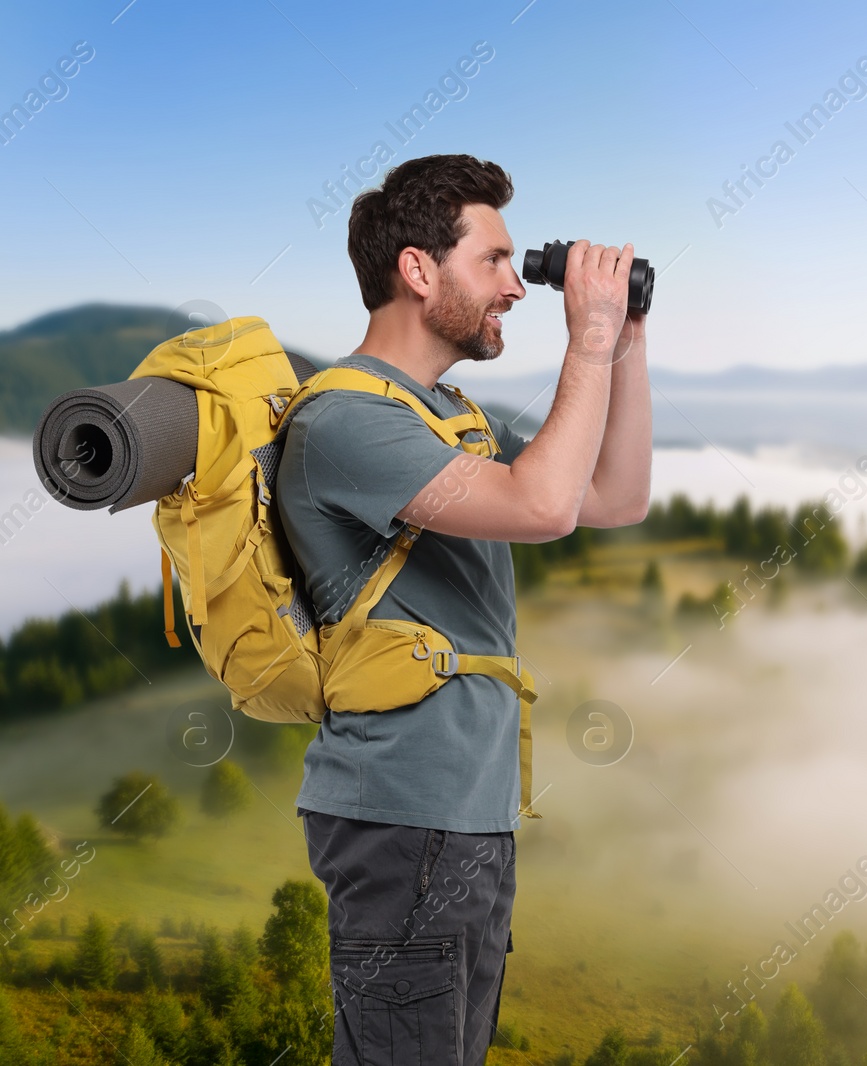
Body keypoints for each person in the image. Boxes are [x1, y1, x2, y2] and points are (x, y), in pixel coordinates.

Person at [276, 152, 651, 1065]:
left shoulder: (449, 416)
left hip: (467, 815)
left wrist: (625, 342)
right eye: (493, 260)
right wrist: (586, 339)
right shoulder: (351, 423)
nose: (518, 287)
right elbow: (541, 507)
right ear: (416, 269)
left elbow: (612, 495)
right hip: (403, 815)